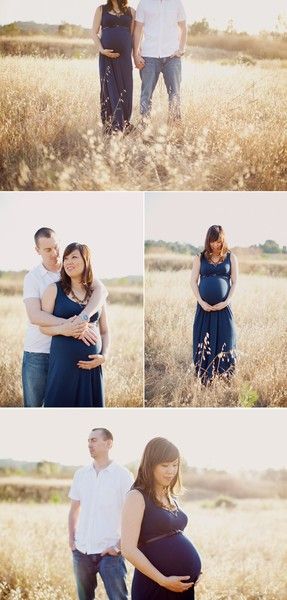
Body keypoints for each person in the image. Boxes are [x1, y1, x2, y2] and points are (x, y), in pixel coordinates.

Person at [22, 228, 107, 408]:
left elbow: (102, 292)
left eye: (56, 247)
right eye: (47, 250)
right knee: (34, 407)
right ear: (37, 251)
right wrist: (72, 326)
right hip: (39, 352)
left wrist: (83, 319)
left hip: (80, 364)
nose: (55, 253)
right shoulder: (34, 278)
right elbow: (35, 316)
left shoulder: (74, 269)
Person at [121, 437, 202, 599]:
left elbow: (173, 536)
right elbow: (128, 549)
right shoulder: (136, 496)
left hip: (180, 587)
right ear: (150, 465)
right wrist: (163, 580)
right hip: (155, 586)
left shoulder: (170, 496)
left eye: (175, 465)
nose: (171, 471)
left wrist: (193, 569)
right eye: (165, 465)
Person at [69, 427, 134, 600]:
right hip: (81, 552)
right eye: (89, 441)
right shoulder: (80, 475)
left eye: (94, 440)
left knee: (118, 598)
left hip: (110, 554)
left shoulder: (123, 476)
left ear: (109, 443)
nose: (90, 444)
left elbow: (133, 515)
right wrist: (72, 541)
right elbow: (74, 510)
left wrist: (119, 546)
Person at [191, 225, 238, 383]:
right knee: (204, 342)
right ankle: (205, 378)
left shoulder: (231, 257)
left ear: (223, 240)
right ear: (208, 241)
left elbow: (235, 282)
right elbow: (193, 281)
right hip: (204, 309)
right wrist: (201, 302)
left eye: (218, 241)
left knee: (226, 339)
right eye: (212, 242)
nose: (215, 245)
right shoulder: (200, 257)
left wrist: (226, 302)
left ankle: (225, 379)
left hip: (224, 309)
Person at [133, 0, 187, 123]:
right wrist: (135, 54)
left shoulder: (176, 3)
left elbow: (183, 27)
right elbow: (138, 30)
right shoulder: (144, 3)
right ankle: (144, 127)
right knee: (146, 94)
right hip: (149, 55)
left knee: (175, 94)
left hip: (172, 56)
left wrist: (181, 49)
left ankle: (174, 128)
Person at [92, 0, 135, 133]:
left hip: (125, 59)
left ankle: (125, 123)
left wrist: (135, 55)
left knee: (126, 89)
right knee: (109, 90)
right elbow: (94, 32)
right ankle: (112, 126)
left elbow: (133, 36)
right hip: (106, 57)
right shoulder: (101, 10)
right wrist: (101, 50)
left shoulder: (131, 11)